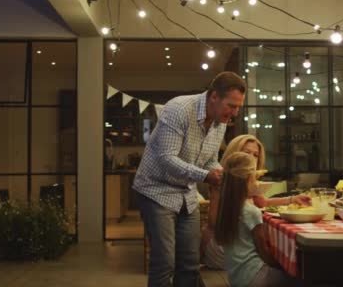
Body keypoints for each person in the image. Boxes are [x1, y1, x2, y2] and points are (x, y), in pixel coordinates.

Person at [133, 71, 246, 287]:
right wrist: (206, 176)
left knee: (190, 263)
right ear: (214, 96)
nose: (235, 112)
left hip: (186, 193)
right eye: (232, 105)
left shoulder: (220, 121)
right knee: (164, 262)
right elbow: (167, 159)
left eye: (238, 107)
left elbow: (210, 160)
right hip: (156, 190)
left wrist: (222, 173)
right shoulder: (179, 109)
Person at [201, 134, 310, 270]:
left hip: (238, 244)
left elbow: (263, 203)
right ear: (234, 153)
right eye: (246, 152)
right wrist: (240, 200)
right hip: (223, 246)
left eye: (255, 155)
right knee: (275, 257)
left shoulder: (248, 182)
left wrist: (293, 199)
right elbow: (213, 222)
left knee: (277, 251)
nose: (252, 158)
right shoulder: (222, 178)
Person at [215, 151, 297, 287]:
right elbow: (264, 253)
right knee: (301, 279)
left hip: (236, 279)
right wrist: (285, 268)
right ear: (249, 179)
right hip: (255, 278)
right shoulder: (251, 212)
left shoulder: (226, 208)